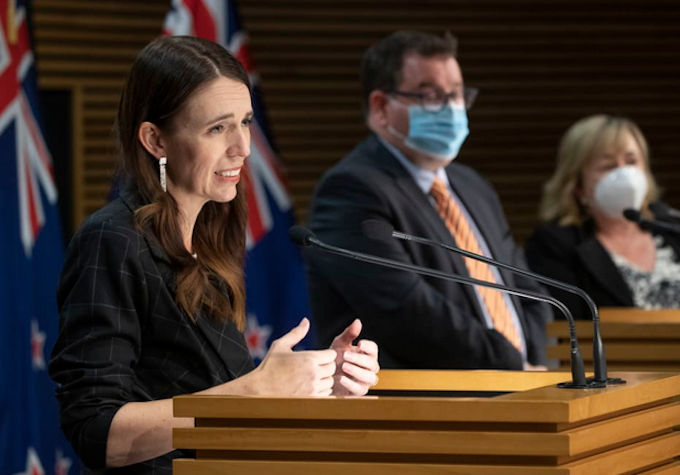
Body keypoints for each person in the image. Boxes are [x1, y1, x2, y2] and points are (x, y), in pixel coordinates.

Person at [48, 36, 379, 474]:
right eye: (217, 128)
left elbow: (220, 410)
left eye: (245, 122)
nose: (242, 147)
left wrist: (318, 385)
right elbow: (97, 433)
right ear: (155, 140)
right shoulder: (112, 240)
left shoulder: (208, 232)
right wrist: (260, 389)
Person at [304, 31, 549, 371]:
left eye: (457, 95)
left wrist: (533, 360)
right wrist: (510, 364)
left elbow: (525, 288)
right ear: (381, 107)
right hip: (426, 404)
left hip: (523, 385)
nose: (451, 108)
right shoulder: (351, 189)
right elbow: (408, 311)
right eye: (431, 96)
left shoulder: (471, 184)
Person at [525, 115, 680, 318]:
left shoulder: (672, 229)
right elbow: (565, 330)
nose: (625, 174)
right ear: (577, 184)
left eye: (631, 162)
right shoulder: (553, 245)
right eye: (608, 166)